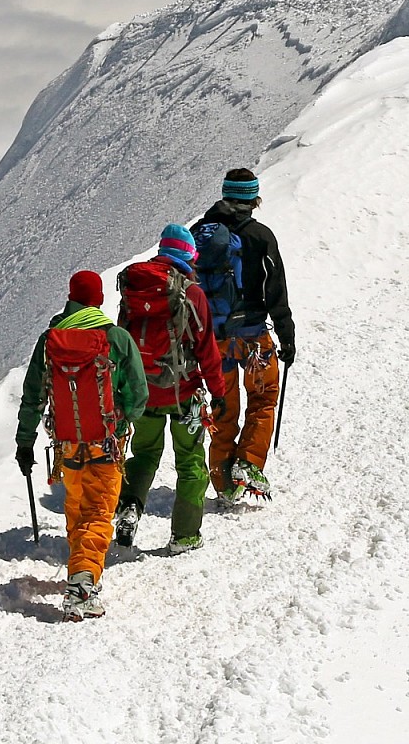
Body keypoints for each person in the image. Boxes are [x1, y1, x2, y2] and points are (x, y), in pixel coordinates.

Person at [16, 270, 147, 619]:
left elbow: (32, 397)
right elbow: (139, 393)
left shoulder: (50, 340)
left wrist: (24, 442)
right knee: (99, 511)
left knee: (77, 507)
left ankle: (81, 569)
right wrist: (123, 419)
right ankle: (82, 585)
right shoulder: (116, 338)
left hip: (66, 446)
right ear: (99, 299)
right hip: (107, 442)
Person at [114, 224, 227, 554]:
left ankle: (129, 506)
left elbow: (123, 341)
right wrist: (218, 391)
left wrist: (123, 390)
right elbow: (206, 348)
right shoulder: (191, 293)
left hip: (143, 391)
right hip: (183, 393)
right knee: (190, 461)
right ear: (188, 256)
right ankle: (185, 535)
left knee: (144, 454)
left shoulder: (135, 289)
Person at [192, 167, 296, 503]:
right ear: (253, 198)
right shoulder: (260, 236)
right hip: (253, 340)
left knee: (223, 408)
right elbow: (275, 291)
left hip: (213, 341)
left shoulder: (199, 234)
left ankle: (224, 485)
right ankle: (248, 463)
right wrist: (286, 336)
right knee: (263, 400)